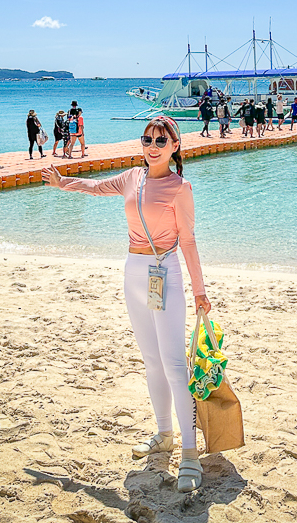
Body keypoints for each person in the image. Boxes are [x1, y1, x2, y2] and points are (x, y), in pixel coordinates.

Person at [41, 116, 211, 494]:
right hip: (134, 271)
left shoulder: (180, 188)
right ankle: (164, 433)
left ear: (175, 147)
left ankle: (189, 452)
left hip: (165, 272)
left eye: (161, 141)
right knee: (151, 361)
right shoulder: (133, 177)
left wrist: (200, 291)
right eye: (148, 139)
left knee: (173, 362)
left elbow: (189, 241)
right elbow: (98, 186)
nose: (153, 145)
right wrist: (62, 182)